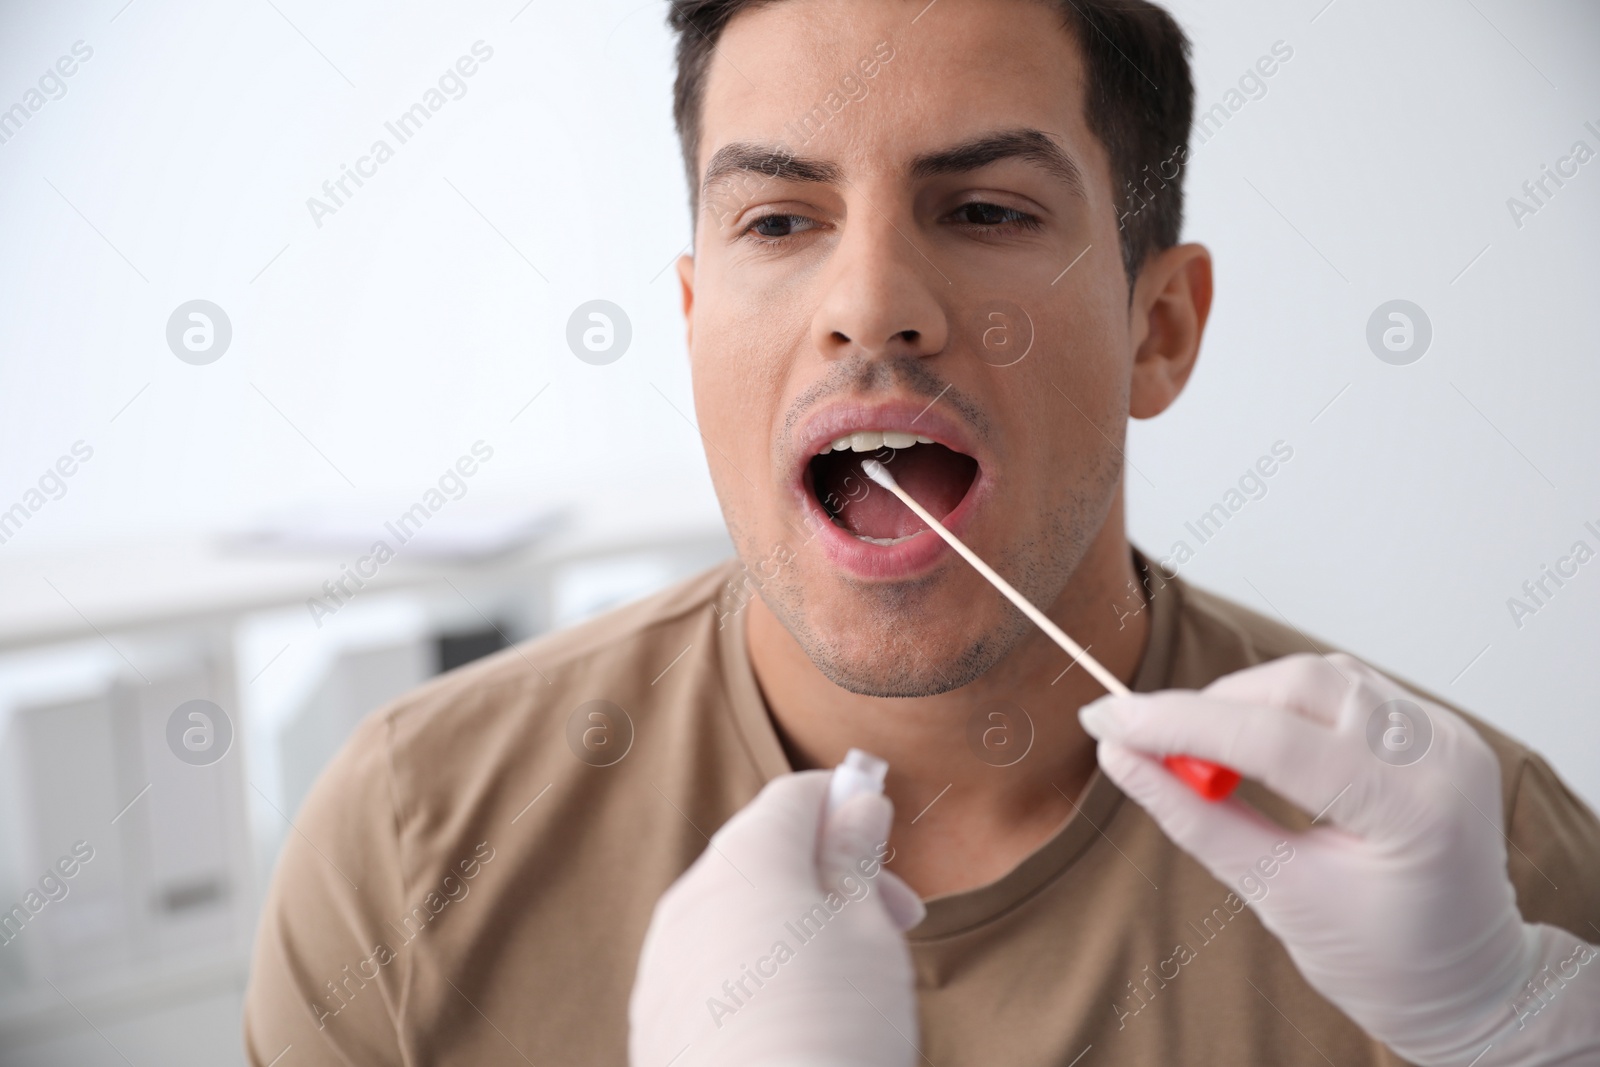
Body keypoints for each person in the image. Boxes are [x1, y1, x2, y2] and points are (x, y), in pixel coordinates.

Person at [242, 0, 1600, 1063]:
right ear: (697, 317)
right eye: (778, 220)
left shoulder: (1473, 880)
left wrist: (1517, 1036)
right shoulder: (413, 842)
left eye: (987, 209)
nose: (872, 302)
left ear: (1161, 330)